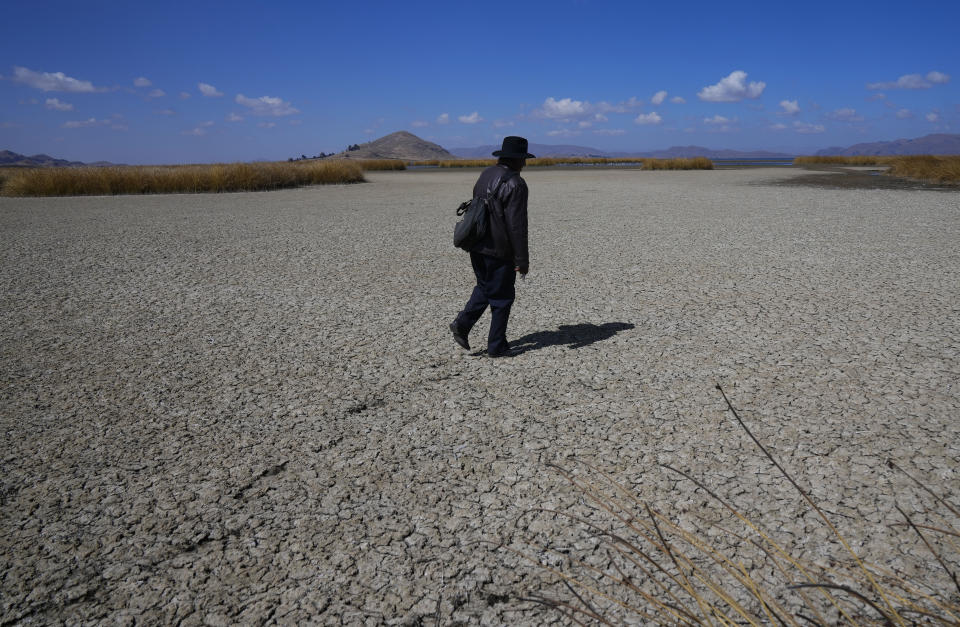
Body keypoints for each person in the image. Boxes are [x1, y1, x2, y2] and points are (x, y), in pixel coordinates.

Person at [450, 136, 534, 357]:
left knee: (486, 287)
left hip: (476, 243)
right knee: (502, 297)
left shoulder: (486, 174)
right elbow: (517, 226)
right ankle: (497, 346)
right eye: (523, 159)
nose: (524, 164)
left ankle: (462, 324)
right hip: (499, 250)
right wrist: (522, 261)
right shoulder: (516, 183)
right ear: (517, 160)